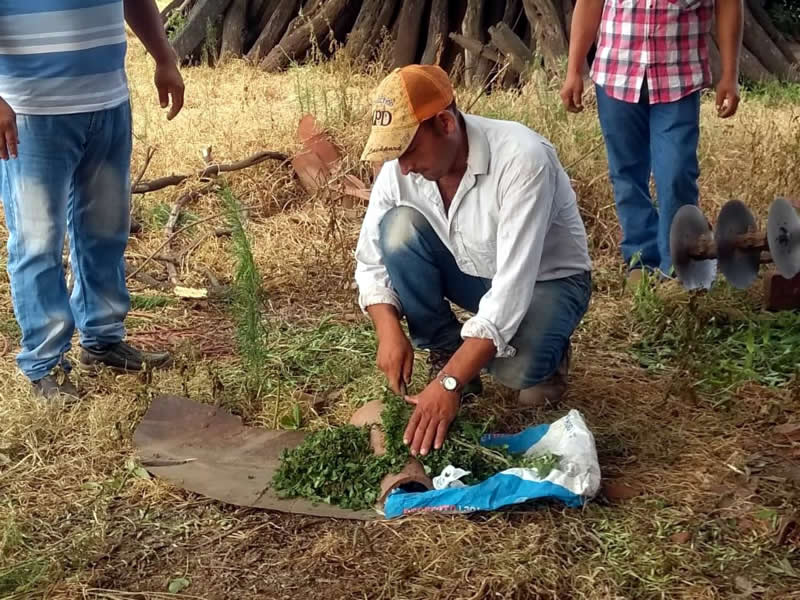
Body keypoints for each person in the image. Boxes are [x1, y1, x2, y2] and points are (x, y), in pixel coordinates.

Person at [354, 65, 593, 458]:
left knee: (514, 372)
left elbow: (511, 290)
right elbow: (371, 258)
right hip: (476, 271)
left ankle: (547, 358)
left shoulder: (521, 159)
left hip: (547, 281)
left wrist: (448, 386)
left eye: (409, 150)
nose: (404, 167)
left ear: (445, 124)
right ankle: (448, 352)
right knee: (397, 229)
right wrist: (387, 329)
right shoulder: (403, 166)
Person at [0, 0, 185, 400]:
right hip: (31, 112)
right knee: (37, 241)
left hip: (107, 105)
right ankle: (44, 363)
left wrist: (164, 56)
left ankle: (102, 338)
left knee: (105, 229)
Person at [560, 0, 743, 281]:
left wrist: (730, 75)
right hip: (616, 73)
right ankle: (641, 259)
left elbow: (728, 5)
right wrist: (574, 69)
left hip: (678, 78)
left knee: (676, 173)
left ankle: (678, 264)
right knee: (626, 173)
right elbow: (589, 4)